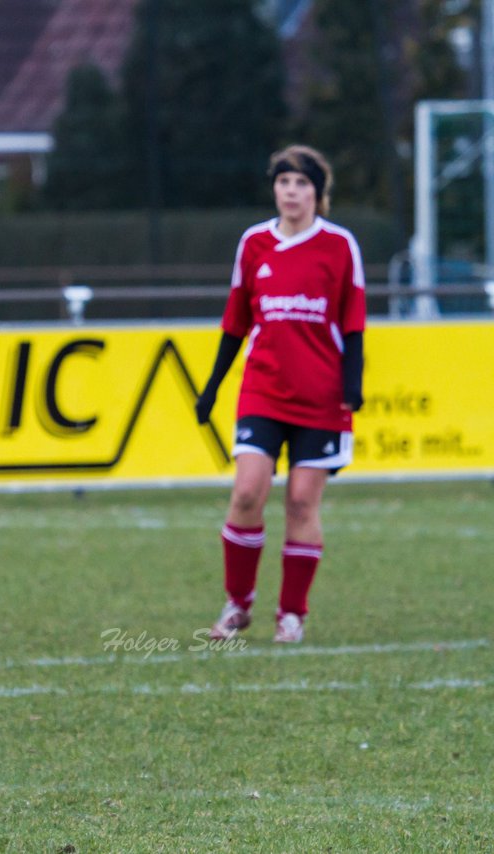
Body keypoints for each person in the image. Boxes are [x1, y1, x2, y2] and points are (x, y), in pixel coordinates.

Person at [196, 144, 365, 645]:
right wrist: (211, 388)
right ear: (275, 189)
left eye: (302, 184)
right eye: (284, 182)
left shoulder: (339, 245)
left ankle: (291, 613)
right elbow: (236, 322)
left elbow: (352, 322)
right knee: (247, 491)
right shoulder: (253, 244)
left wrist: (352, 385)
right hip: (263, 390)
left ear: (318, 193)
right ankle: (237, 605)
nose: (292, 192)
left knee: (299, 504)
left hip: (321, 396)